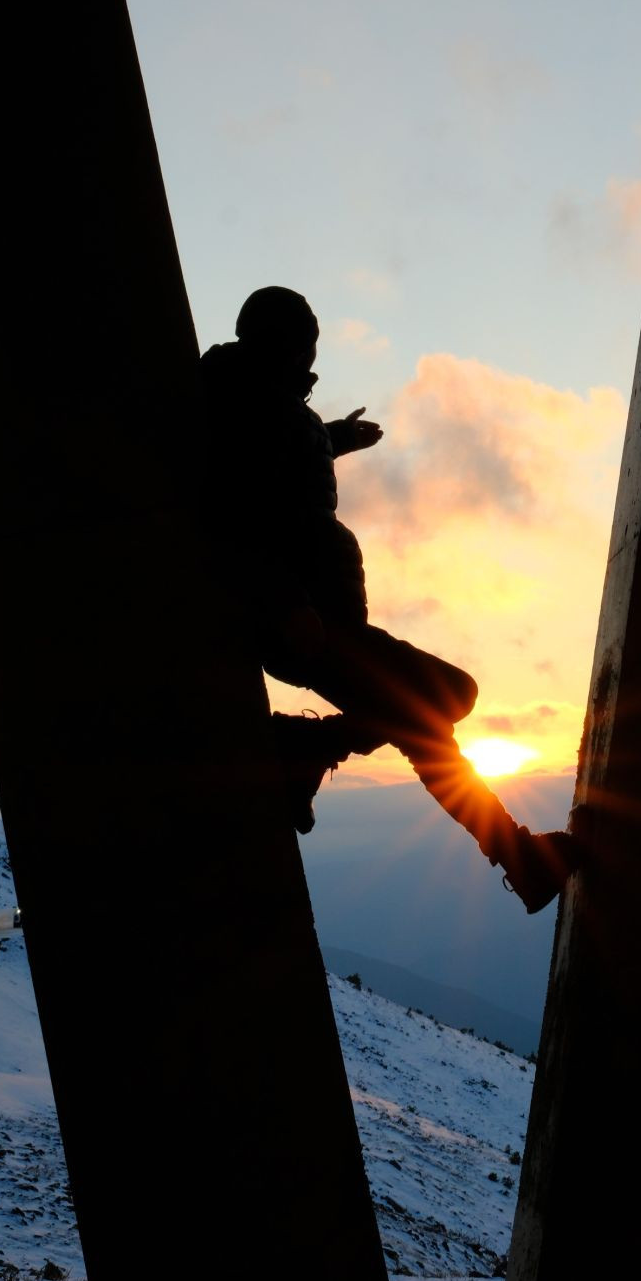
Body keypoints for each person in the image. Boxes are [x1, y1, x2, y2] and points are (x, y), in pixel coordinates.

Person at [199, 286, 577, 913]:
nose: (311, 370)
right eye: (307, 353)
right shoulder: (249, 406)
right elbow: (243, 516)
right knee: (449, 699)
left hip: (318, 618)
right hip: (308, 622)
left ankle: (518, 855)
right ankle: (306, 749)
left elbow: (281, 463)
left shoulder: (255, 399)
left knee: (428, 720)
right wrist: (289, 603)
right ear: (289, 348)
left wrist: (334, 437)